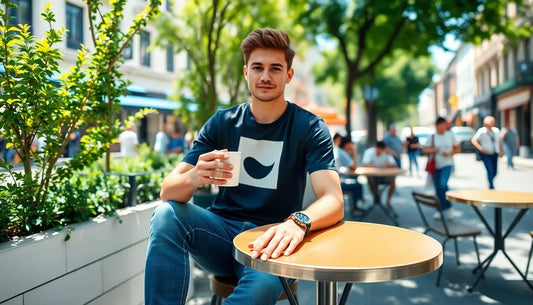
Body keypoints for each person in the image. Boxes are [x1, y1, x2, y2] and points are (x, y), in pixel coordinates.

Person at [144, 28, 344, 305]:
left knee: (259, 289)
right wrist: (194, 176)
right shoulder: (222, 122)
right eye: (257, 67)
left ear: (288, 75)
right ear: (245, 72)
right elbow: (167, 193)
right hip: (220, 235)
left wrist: (298, 222)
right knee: (167, 215)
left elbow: (333, 199)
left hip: (272, 239)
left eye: (275, 68)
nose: (265, 76)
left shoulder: (309, 127)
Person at [423, 117, 461, 219]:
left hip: (447, 164)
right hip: (435, 166)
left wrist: (450, 153)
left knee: (443, 184)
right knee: (438, 188)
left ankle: (448, 207)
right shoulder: (431, 137)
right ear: (437, 125)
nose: (445, 126)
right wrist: (434, 150)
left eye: (445, 124)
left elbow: (458, 149)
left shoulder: (450, 135)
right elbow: (425, 151)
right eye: (443, 124)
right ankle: (442, 209)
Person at [332, 134, 364, 214]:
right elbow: (354, 167)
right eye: (351, 144)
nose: (352, 146)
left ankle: (355, 205)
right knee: (358, 185)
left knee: (354, 180)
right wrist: (354, 152)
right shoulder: (341, 152)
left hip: (334, 181)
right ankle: (355, 207)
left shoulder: (338, 150)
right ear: (347, 144)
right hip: (338, 184)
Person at [362, 141, 397, 206]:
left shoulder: (386, 152)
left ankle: (388, 200)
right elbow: (365, 164)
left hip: (385, 176)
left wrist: (375, 166)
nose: (380, 151)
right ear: (375, 147)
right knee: (369, 178)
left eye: (381, 149)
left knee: (393, 179)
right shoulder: (369, 152)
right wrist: (383, 166)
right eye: (378, 149)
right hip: (373, 176)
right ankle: (376, 198)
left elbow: (394, 165)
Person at [471, 116, 502, 189]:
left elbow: (500, 141)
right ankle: (491, 186)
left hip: (494, 153)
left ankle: (490, 180)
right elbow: (474, 140)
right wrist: (481, 148)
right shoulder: (482, 131)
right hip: (486, 154)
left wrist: (501, 151)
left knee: (495, 171)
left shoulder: (496, 131)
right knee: (490, 169)